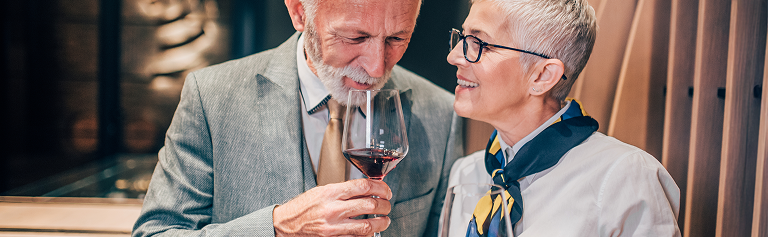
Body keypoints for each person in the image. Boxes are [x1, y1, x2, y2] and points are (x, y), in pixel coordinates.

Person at [132, 0, 464, 236]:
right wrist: (277, 227)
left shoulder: (440, 113)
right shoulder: (211, 96)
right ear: (298, 12)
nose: (377, 68)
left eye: (396, 39)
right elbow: (157, 233)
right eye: (354, 37)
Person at [444, 0, 681, 236]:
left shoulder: (626, 178)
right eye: (463, 38)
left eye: (479, 44)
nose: (454, 56)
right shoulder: (466, 173)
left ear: (542, 76)